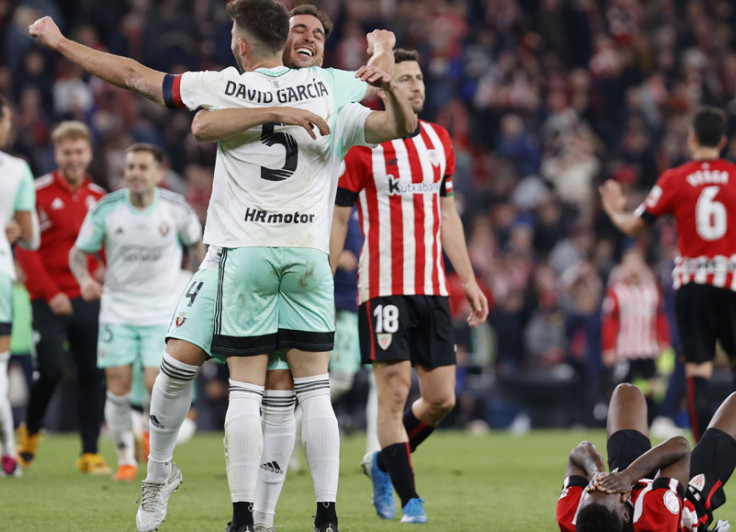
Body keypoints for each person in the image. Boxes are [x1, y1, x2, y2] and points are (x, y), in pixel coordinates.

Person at [29, 2, 413, 530]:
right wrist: (382, 54)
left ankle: (261, 516)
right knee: (180, 362)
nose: (309, 38)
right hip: (235, 254)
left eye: (317, 33)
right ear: (281, 40)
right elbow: (199, 122)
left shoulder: (314, 86)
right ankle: (159, 474)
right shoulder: (306, 86)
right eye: (299, 29)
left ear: (243, 43)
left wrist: (61, 44)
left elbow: (139, 79)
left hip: (266, 257)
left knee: (273, 391)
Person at [331, 48, 490, 524]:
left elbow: (447, 214)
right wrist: (324, 268)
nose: (416, 86)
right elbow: (340, 214)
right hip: (382, 288)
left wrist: (469, 278)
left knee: (442, 399)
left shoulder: (440, 140)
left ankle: (384, 458)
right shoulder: (364, 145)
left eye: (419, 78)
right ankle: (411, 500)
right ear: (384, 87)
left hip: (432, 288)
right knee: (395, 391)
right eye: (404, 78)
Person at [599, 106, 736, 441]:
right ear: (722, 141)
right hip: (733, 279)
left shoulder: (674, 179)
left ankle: (702, 460)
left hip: (692, 282)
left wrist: (613, 209)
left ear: (692, 138)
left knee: (698, 369)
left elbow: (633, 226)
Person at [69, 143, 203, 481]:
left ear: (158, 173)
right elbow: (77, 253)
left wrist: (197, 285)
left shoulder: (175, 209)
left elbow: (197, 246)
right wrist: (85, 279)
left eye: (143, 168)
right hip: (117, 308)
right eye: (130, 168)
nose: (135, 174)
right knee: (117, 385)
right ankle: (126, 459)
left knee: (154, 384)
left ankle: (155, 448)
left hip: (161, 309)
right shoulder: (107, 209)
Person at [557, 383, 736, 532]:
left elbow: (580, 451)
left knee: (626, 392)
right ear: (624, 514)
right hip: (683, 499)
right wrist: (628, 476)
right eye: (607, 489)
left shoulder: (575, 518)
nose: (601, 485)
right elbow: (679, 449)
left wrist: (597, 473)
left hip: (639, 484)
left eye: (592, 489)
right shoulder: (654, 518)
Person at [15, 120, 109, 474]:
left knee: (92, 375)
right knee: (51, 370)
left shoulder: (98, 198)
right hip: (47, 299)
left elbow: (106, 248)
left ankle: (89, 453)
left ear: (88, 154)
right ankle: (32, 431)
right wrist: (51, 292)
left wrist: (105, 275)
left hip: (86, 297)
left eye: (79, 151)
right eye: (67, 152)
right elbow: (26, 249)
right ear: (57, 154)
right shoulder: (36, 193)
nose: (73, 157)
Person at [0, 95, 39, 477]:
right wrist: (13, 230)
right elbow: (30, 237)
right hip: (0, 275)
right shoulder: (15, 170)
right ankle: (9, 454)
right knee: (0, 370)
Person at [601, 248, 671, 419]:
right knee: (620, 389)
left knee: (653, 388)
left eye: (636, 262)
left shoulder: (652, 290)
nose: (633, 267)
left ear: (642, 265)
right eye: (629, 262)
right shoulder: (616, 291)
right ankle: (618, 423)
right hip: (625, 350)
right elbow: (610, 321)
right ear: (623, 266)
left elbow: (659, 317)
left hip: (648, 349)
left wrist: (664, 341)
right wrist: (609, 347)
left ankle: (651, 422)